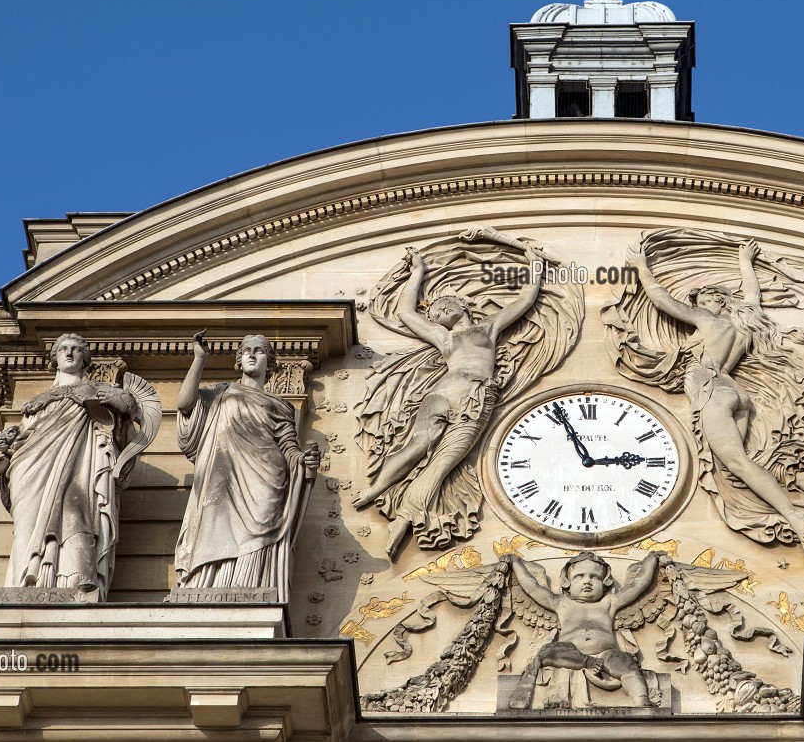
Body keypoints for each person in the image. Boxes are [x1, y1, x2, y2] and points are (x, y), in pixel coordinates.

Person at [353, 248, 544, 559]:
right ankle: (377, 488)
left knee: (444, 461)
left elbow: (525, 299)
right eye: (433, 312)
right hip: (444, 389)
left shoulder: (488, 328)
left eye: (441, 307)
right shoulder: (444, 338)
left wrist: (535, 266)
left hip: (477, 395)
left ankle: (404, 518)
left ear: (460, 305)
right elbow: (406, 314)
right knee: (418, 443)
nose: (436, 313)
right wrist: (417, 273)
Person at [628, 240, 804, 548]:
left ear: (717, 302)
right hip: (736, 394)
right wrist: (745, 260)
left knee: (736, 463)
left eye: (702, 300)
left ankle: (792, 512)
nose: (698, 305)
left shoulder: (708, 321)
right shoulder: (745, 321)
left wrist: (641, 268)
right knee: (735, 466)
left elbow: (664, 302)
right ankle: (784, 508)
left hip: (712, 389)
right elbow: (753, 293)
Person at [0, 333, 143, 600]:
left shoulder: (97, 394)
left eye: (77, 349)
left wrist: (102, 400)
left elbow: (125, 422)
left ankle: (74, 583)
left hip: (80, 466)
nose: (69, 353)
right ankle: (25, 584)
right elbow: (19, 445)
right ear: (54, 358)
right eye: (63, 348)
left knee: (77, 517)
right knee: (27, 530)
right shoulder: (37, 404)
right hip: (30, 471)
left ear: (85, 358)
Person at [174, 332, 320, 603]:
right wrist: (199, 360)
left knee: (259, 532)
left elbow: (289, 448)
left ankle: (249, 586)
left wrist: (304, 462)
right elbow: (184, 404)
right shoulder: (219, 393)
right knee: (213, 526)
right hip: (222, 473)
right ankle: (208, 587)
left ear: (270, 362)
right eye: (246, 351)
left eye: (260, 351)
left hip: (266, 478)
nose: (252, 355)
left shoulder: (280, 406)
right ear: (239, 361)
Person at [508, 552, 662, 708]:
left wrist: (652, 559)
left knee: (628, 664)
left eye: (594, 577)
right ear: (567, 582)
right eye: (579, 576)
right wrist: (516, 563)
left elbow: (639, 583)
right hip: (571, 651)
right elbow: (531, 586)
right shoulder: (561, 603)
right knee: (547, 651)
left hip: (605, 653)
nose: (587, 582)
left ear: (604, 582)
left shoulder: (610, 602)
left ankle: (642, 700)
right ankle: (587, 661)